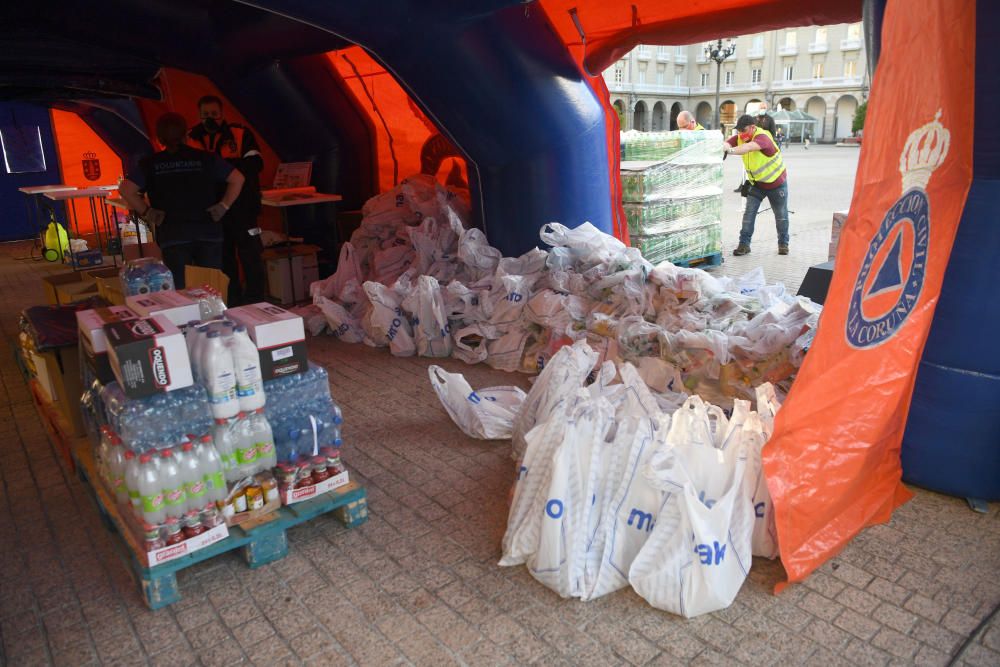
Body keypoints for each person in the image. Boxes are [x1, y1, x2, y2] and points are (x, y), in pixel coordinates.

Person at [120, 113, 244, 288]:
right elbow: (238, 179)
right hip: (207, 230)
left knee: (180, 290)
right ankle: (215, 315)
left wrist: (147, 212)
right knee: (211, 289)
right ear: (186, 135)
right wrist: (223, 206)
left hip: (173, 234)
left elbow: (126, 189)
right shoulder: (206, 158)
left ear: (159, 138)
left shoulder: (151, 164)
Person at [188, 95, 265, 305]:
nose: (210, 119)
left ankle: (257, 300)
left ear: (223, 114)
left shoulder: (240, 134)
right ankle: (233, 301)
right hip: (213, 210)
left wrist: (224, 169)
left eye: (215, 114)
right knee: (224, 258)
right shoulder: (191, 138)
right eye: (205, 115)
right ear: (199, 116)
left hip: (244, 208)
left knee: (251, 256)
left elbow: (256, 164)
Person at [722, 114, 789, 256]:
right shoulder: (741, 137)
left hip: (776, 184)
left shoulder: (763, 137)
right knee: (748, 215)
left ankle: (783, 244)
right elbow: (728, 142)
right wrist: (725, 146)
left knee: (781, 216)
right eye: (738, 131)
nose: (740, 134)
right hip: (757, 184)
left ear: (753, 127)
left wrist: (731, 150)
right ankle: (744, 245)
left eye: (743, 130)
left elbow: (750, 147)